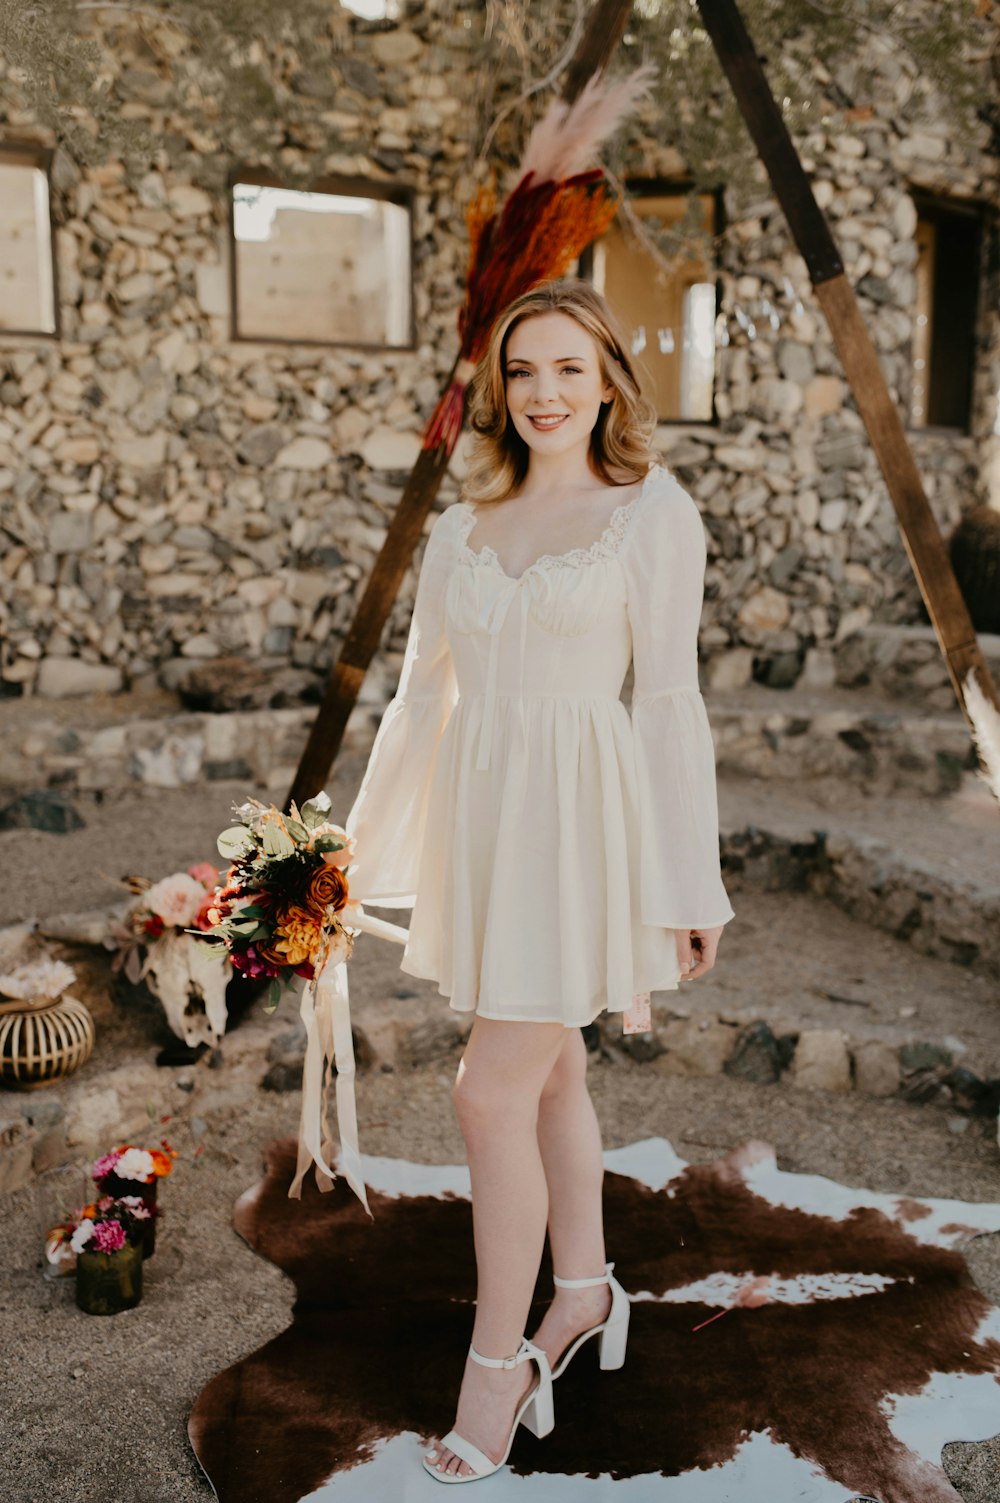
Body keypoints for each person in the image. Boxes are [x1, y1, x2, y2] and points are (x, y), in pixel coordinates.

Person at [343, 278, 735, 1483]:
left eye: (570, 368)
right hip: (490, 824)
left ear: (611, 378)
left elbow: (667, 702)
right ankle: (580, 1291)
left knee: (483, 1093)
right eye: (523, 372)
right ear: (498, 390)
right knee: (550, 1066)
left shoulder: (649, 511)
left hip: (582, 829)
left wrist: (687, 883)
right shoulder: (464, 528)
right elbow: (421, 701)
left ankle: (497, 1365)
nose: (546, 393)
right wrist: (352, 860)